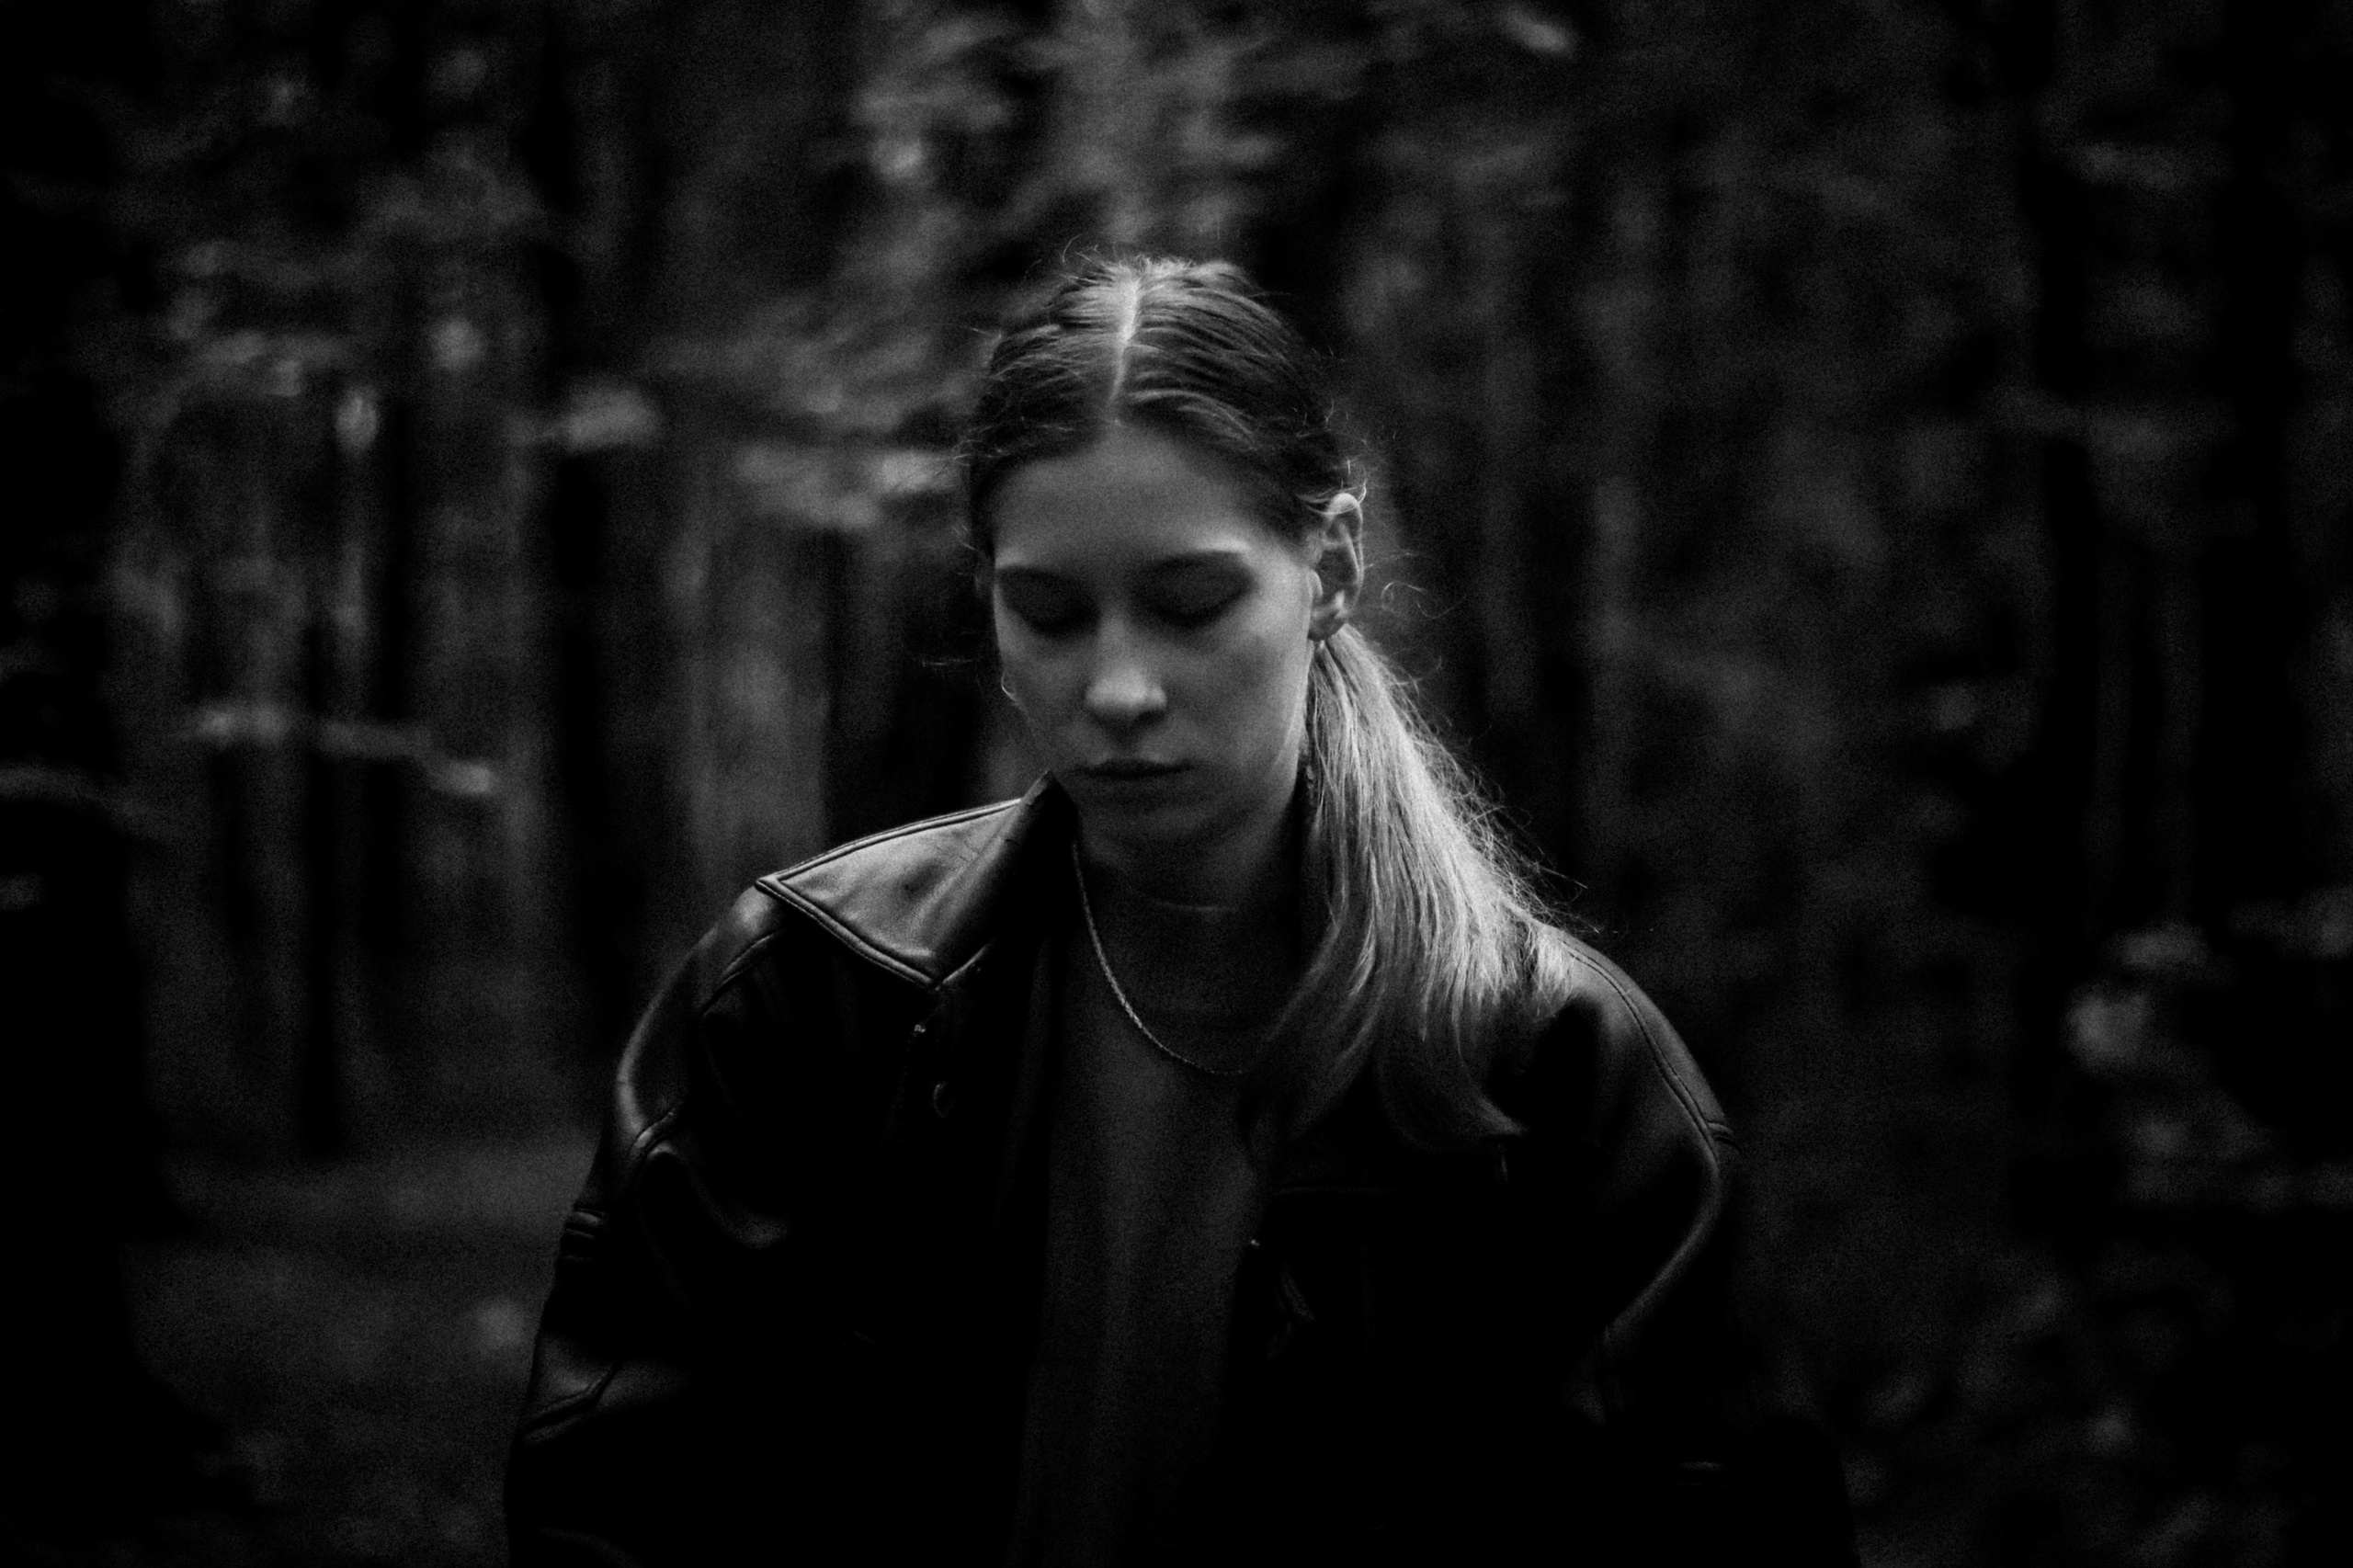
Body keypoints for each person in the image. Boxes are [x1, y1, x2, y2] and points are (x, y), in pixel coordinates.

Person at [506, 255, 1856, 1565]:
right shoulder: (810, 995)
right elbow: (618, 1491)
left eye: (1190, 602)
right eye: (1048, 613)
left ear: (1328, 569)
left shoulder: (1559, 1074)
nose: (1120, 688)